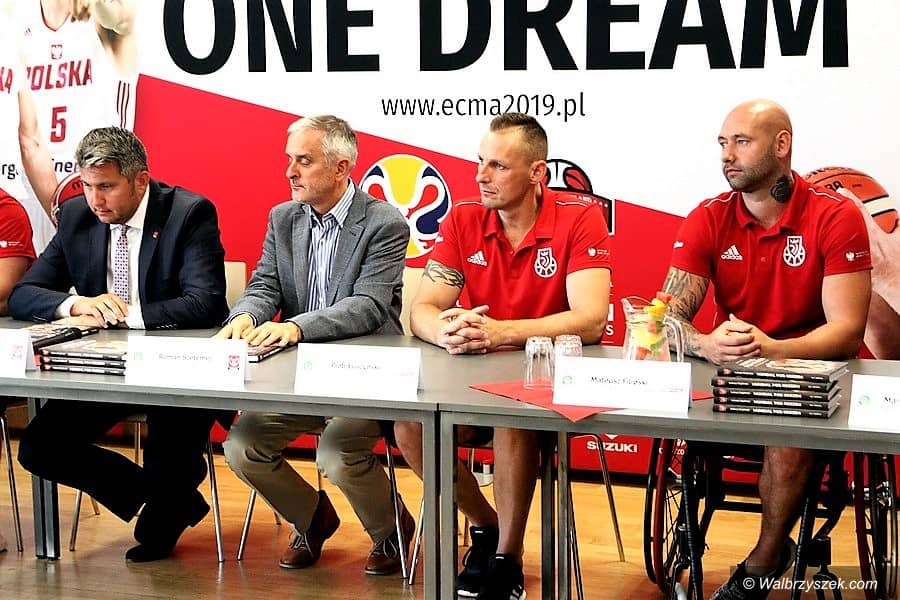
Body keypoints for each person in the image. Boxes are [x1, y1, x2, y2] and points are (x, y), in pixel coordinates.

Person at [394, 112, 612, 599]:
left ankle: (506, 560)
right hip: (478, 380)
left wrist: (500, 333)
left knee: (510, 417)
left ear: (537, 173)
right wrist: (447, 331)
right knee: (411, 426)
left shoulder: (580, 218)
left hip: (549, 388)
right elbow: (423, 309)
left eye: (497, 166)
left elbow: (591, 319)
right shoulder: (465, 218)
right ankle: (486, 524)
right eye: (480, 162)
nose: (480, 176)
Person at [662, 99, 871, 599]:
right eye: (722, 143)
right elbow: (664, 319)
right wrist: (705, 343)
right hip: (732, 377)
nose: (727, 154)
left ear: (782, 145)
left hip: (814, 377)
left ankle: (765, 557)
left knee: (789, 430)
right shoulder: (709, 216)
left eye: (741, 141)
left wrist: (774, 350)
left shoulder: (836, 215)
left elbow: (847, 331)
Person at [9, 126, 229, 562]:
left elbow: (206, 302)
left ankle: (169, 495)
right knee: (39, 448)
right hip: (105, 366)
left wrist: (125, 314)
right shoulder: (76, 216)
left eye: (106, 187)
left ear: (140, 180)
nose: (95, 199)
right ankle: (172, 496)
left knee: (155, 532)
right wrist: (77, 304)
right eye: (88, 186)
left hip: (177, 367)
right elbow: (23, 294)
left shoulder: (189, 213)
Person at [216, 115, 414, 575]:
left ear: (341, 167)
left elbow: (368, 306)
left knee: (335, 452)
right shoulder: (283, 217)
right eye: (290, 160)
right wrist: (245, 315)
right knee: (242, 445)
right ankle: (311, 517)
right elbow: (265, 285)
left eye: (303, 161)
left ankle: (393, 530)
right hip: (299, 378)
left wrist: (297, 327)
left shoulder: (384, 222)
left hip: (366, 376)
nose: (290, 172)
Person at [18, 0, 138, 252]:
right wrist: (59, 209)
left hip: (97, 193)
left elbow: (120, 19)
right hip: (30, 190)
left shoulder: (105, 20)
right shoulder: (14, 22)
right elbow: (28, 138)